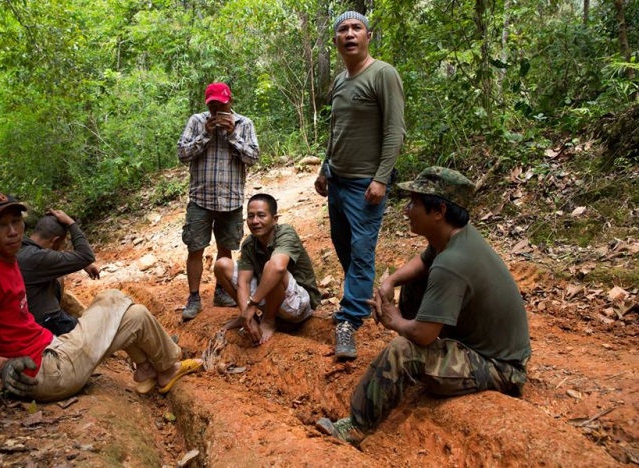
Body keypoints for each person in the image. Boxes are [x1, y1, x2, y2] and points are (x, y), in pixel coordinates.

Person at [316, 167, 531, 445]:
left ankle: (356, 426)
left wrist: (394, 321)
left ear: (439, 210)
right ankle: (432, 357)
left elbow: (423, 336)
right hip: (489, 348)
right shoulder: (455, 237)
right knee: (415, 281)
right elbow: (424, 261)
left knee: (402, 351)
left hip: (502, 367)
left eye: (414, 203)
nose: (406, 209)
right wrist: (390, 281)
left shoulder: (452, 264)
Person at [0, 192, 202, 401]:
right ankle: (163, 366)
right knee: (111, 297)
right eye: (0, 225)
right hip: (49, 371)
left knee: (136, 315)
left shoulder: (9, 259)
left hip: (54, 349)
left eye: (16, 221)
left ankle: (153, 369)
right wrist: (0, 365)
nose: (12, 231)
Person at [313, 11, 406, 359]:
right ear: (336, 40)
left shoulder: (383, 74)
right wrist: (325, 169)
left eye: (356, 28)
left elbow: (395, 131)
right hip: (337, 182)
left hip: (365, 185)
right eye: (343, 29)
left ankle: (349, 321)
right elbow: (337, 131)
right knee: (345, 250)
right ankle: (366, 298)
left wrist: (381, 178)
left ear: (368, 36)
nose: (350, 34)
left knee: (362, 252)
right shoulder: (339, 81)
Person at [177, 82, 260, 321]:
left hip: (230, 200)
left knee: (226, 248)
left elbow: (253, 157)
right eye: (212, 105)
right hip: (201, 199)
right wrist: (206, 134)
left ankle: (221, 291)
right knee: (195, 247)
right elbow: (183, 154)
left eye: (220, 105)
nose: (216, 110)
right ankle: (193, 297)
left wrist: (233, 134)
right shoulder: (196, 121)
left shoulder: (244, 124)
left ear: (229, 101)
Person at [213, 194, 321, 345]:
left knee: (272, 266)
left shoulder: (285, 233)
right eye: (251, 216)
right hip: (267, 298)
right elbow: (243, 283)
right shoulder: (249, 243)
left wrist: (252, 305)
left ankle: (269, 321)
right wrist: (247, 316)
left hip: (298, 304)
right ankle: (253, 319)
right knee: (222, 265)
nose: (255, 221)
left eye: (261, 215)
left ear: (274, 219)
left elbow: (277, 267)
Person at [17, 210, 100, 336]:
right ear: (55, 240)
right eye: (60, 243)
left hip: (25, 315)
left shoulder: (22, 248)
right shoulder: (39, 258)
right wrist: (71, 223)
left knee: (58, 277)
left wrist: (83, 264)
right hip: (42, 324)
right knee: (96, 333)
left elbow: (49, 257)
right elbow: (87, 255)